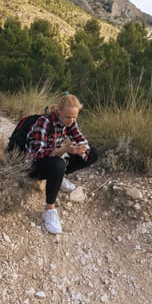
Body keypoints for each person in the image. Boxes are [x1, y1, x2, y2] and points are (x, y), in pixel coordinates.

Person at [25, 93, 98, 234]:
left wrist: (82, 151)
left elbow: (81, 139)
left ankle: (58, 177)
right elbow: (37, 153)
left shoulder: (70, 122)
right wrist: (64, 149)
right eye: (67, 117)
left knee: (92, 154)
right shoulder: (44, 122)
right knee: (58, 164)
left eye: (74, 117)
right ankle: (49, 209)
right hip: (34, 165)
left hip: (52, 158)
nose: (71, 121)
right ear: (59, 112)